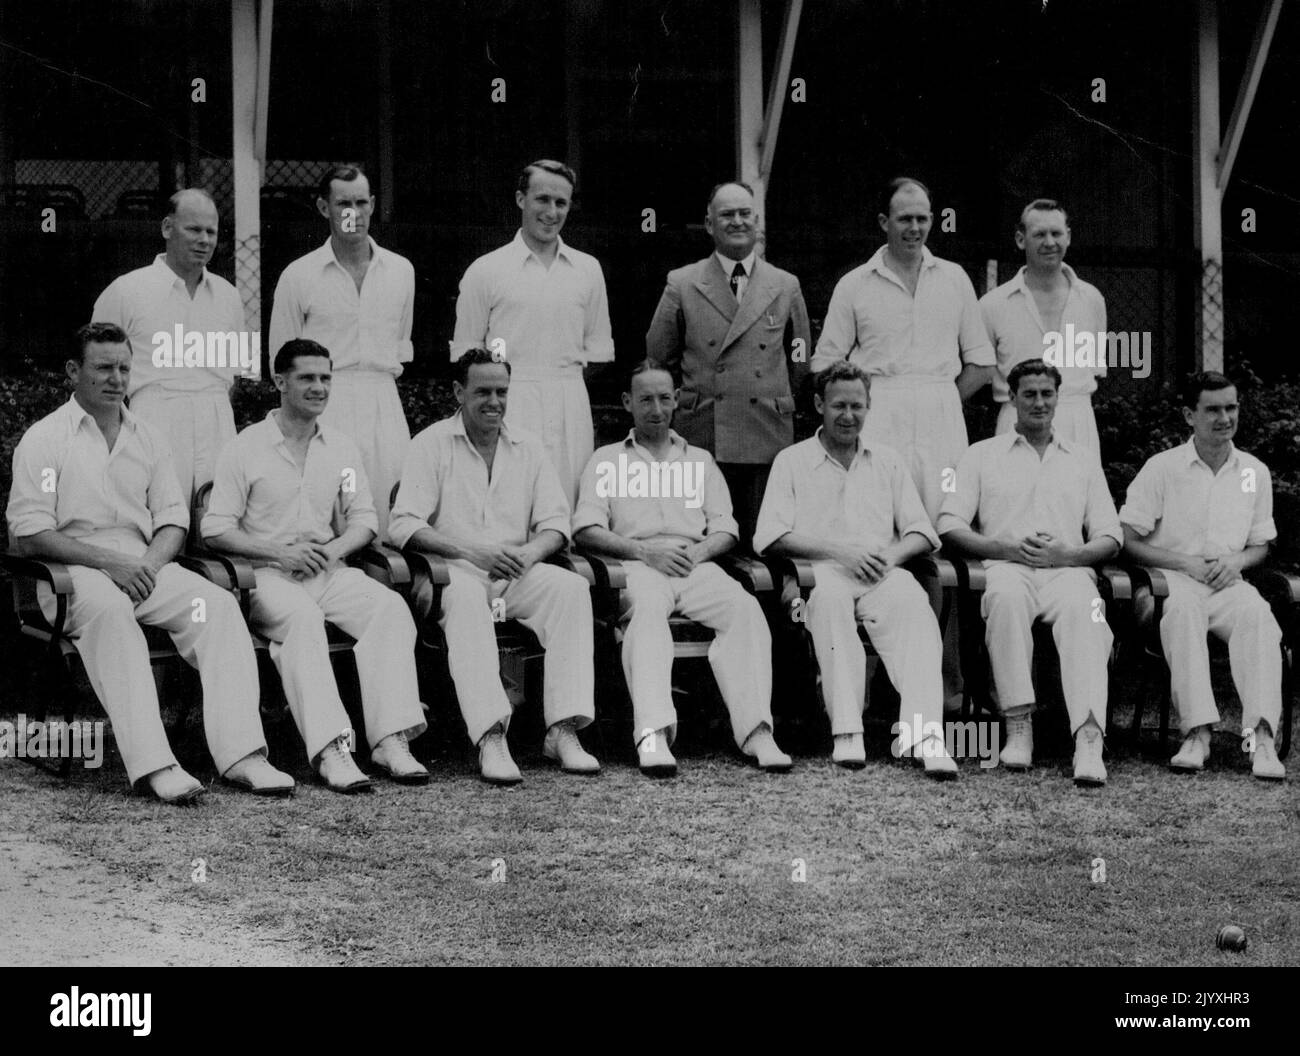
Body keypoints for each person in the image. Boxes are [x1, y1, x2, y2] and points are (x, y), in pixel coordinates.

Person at [6, 323, 293, 803]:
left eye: (123, 367)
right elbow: (31, 533)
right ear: (73, 371)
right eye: (103, 367)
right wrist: (111, 564)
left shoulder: (148, 436)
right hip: (73, 575)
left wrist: (151, 566)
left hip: (146, 568)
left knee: (216, 607)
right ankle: (155, 765)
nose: (116, 378)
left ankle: (243, 756)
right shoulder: (46, 439)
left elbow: (172, 520)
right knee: (112, 613)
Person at [202, 339, 429, 793]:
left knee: (388, 609)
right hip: (264, 578)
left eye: (326, 378)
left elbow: (364, 519)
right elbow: (214, 528)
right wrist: (277, 552)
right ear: (280, 382)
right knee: (303, 621)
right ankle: (332, 749)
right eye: (307, 378)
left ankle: (390, 739)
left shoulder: (341, 449)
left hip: (327, 571)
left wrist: (334, 549)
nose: (319, 387)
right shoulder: (245, 447)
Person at [812, 177, 994, 713]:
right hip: (878, 419)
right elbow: (824, 363)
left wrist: (939, 399)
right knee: (875, 543)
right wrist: (874, 403)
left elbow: (980, 363)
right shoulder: (855, 284)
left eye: (923, 218)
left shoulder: (955, 278)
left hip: (941, 425)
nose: (914, 228)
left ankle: (945, 691)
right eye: (904, 218)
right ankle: (858, 694)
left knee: (942, 543)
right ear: (883, 224)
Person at [388, 348, 599, 786]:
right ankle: (491, 736)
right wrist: (470, 552)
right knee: (465, 597)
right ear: (457, 392)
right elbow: (404, 523)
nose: (494, 402)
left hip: (515, 573)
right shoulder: (430, 444)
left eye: (502, 391)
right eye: (482, 391)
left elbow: (556, 523)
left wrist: (532, 554)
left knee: (571, 589)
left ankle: (563, 731)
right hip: (453, 573)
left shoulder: (528, 447)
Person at [573, 360, 792, 776]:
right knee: (649, 613)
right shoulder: (606, 460)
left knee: (744, 609)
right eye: (645, 399)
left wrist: (700, 554)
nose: (656, 408)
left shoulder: (700, 461)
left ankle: (757, 731)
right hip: (637, 565)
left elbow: (726, 527)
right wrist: (643, 552)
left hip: (695, 562)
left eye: (664, 398)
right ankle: (653, 734)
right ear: (627, 403)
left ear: (676, 401)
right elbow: (586, 528)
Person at [754, 361, 957, 778]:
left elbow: (921, 530)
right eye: (838, 406)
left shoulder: (887, 461)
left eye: (857, 406)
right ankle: (847, 731)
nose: (848, 416)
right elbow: (771, 535)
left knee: (915, 607)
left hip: (881, 570)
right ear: (818, 405)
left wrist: (892, 558)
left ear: (869, 407)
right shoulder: (791, 461)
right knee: (827, 604)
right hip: (817, 573)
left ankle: (925, 735)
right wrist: (839, 552)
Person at [938, 358, 1120, 786]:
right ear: (1012, 399)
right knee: (1004, 599)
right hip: (1005, 567)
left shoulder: (1082, 459)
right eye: (1030, 395)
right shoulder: (980, 455)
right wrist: (1002, 548)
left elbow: (1111, 536)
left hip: (1067, 570)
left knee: (1088, 610)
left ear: (1058, 398)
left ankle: (1089, 739)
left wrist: (1069, 556)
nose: (1039, 403)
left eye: (1047, 394)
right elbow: (949, 524)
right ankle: (1019, 724)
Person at [1120, 372, 1285, 780]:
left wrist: (1237, 562)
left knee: (1259, 618)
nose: (1224, 417)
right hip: (1168, 584)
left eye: (1231, 407)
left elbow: (1261, 543)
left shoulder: (1254, 472)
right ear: (1189, 415)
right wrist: (1184, 563)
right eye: (1212, 409)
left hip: (1228, 583)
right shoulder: (1162, 468)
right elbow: (1126, 540)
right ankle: (1197, 733)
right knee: (1182, 612)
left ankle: (1261, 738)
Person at [644, 180, 811, 549]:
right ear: (709, 224)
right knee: (703, 538)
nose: (737, 222)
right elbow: (659, 356)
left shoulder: (785, 285)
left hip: (764, 431)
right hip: (704, 432)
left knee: (762, 542)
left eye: (744, 213)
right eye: (726, 215)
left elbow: (799, 356)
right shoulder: (683, 283)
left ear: (757, 221)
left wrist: (776, 395)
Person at [451, 160, 614, 504]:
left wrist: (559, 384)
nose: (551, 212)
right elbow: (466, 357)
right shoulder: (486, 270)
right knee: (510, 501)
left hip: (570, 403)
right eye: (542, 199)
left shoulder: (588, 269)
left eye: (561, 203)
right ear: (521, 199)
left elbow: (597, 352)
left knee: (569, 500)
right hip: (510, 402)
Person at [268, 164, 415, 535]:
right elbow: (281, 361)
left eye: (361, 202)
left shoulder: (401, 271)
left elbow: (400, 345)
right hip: (326, 404)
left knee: (387, 510)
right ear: (323, 208)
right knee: (328, 510)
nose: (354, 213)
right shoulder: (298, 275)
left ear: (373, 205)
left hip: (384, 402)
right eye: (343, 203)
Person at [91, 189, 249, 502]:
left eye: (211, 231)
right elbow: (96, 372)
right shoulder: (126, 290)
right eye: (193, 229)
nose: (204, 239)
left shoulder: (229, 295)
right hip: (153, 420)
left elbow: (235, 375)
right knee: (158, 524)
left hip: (217, 423)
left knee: (215, 528)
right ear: (167, 228)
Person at [980, 199, 1107, 454]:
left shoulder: (1092, 299)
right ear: (1020, 239)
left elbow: (1094, 371)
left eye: (1056, 233)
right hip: (1016, 423)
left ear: (1068, 237)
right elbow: (983, 373)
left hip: (1077, 423)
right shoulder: (992, 305)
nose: (1049, 242)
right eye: (1039, 234)